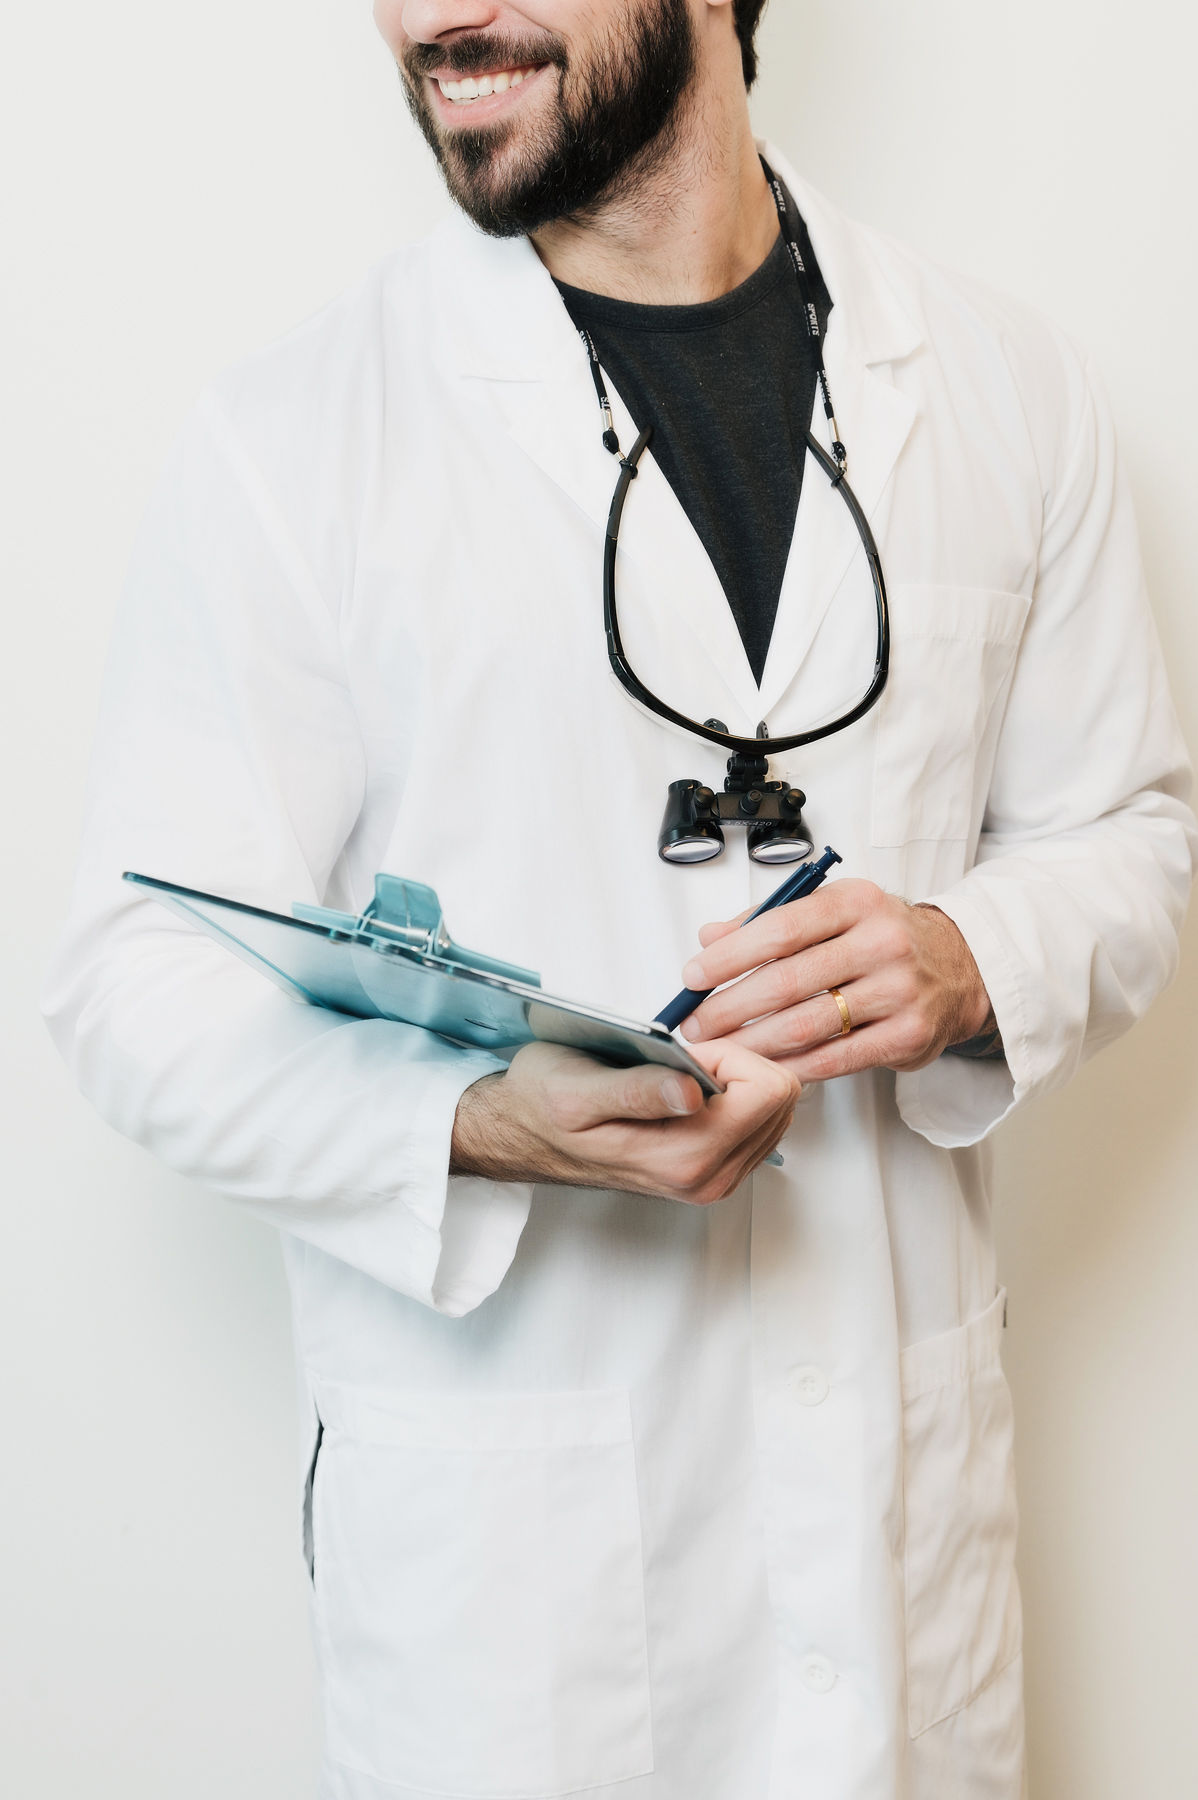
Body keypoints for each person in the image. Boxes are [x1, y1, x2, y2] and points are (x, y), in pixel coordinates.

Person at [42, 0, 1194, 1795]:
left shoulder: (999, 386)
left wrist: (974, 957)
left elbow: (1127, 830)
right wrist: (489, 1120)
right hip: (517, 1614)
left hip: (898, 1549)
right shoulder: (291, 439)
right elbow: (133, 977)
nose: (432, 14)